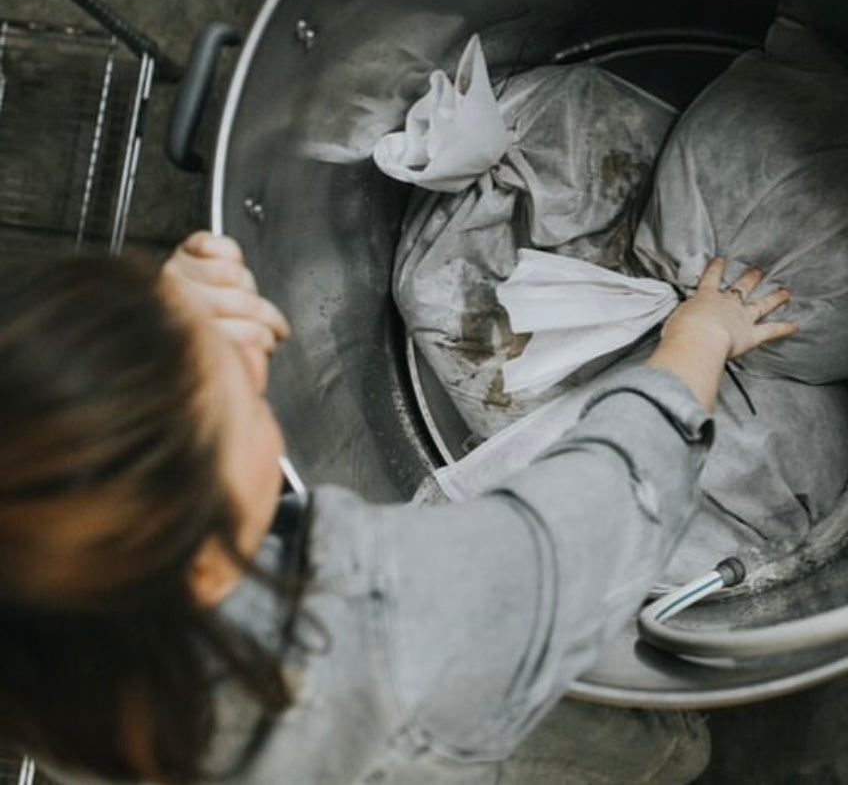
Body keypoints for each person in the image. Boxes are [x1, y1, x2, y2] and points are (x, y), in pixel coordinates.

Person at [0, 231, 796, 785]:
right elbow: (615, 496)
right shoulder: (380, 620)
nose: (255, 353)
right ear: (206, 564)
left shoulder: (45, 643)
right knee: (624, 750)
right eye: (243, 400)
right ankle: (668, 762)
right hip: (409, 752)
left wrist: (148, 333)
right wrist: (699, 335)